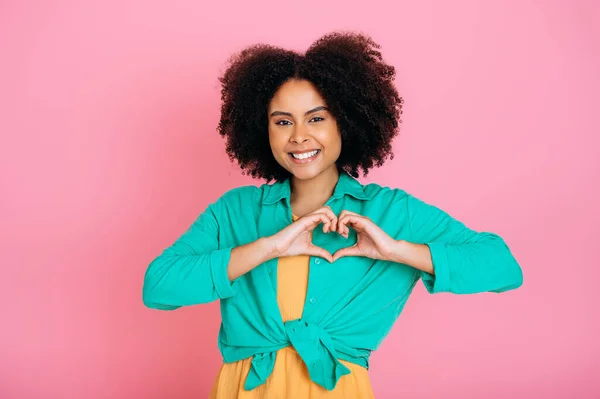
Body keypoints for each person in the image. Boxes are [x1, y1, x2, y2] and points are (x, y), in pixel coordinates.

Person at [142, 31, 524, 398]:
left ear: (347, 121)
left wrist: (396, 251)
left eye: (317, 118)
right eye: (283, 121)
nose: (299, 136)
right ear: (264, 130)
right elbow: (158, 287)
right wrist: (267, 248)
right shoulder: (235, 211)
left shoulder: (389, 212)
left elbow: (503, 268)